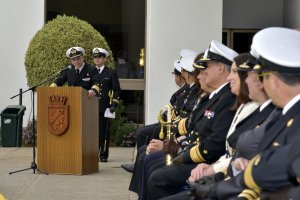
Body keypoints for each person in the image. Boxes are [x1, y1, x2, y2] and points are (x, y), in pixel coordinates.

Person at [195, 27, 300, 200]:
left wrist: (221, 182)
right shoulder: (285, 113)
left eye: (261, 76)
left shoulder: (290, 116)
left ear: (272, 80)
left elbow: (274, 170)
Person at [147, 40, 238, 200]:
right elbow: (194, 127)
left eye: (206, 68)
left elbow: (214, 144)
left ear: (221, 68)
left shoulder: (227, 98)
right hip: (197, 154)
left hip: (209, 160)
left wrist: (182, 155)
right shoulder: (215, 96)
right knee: (153, 168)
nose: (201, 74)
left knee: (158, 178)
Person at [92, 47, 121, 162]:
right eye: (95, 57)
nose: (97, 59)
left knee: (103, 132)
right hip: (90, 107)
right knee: (91, 132)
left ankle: (103, 154)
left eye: (99, 57)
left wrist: (114, 104)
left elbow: (117, 90)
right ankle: (92, 154)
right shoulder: (90, 71)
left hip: (104, 107)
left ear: (104, 59)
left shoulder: (111, 72)